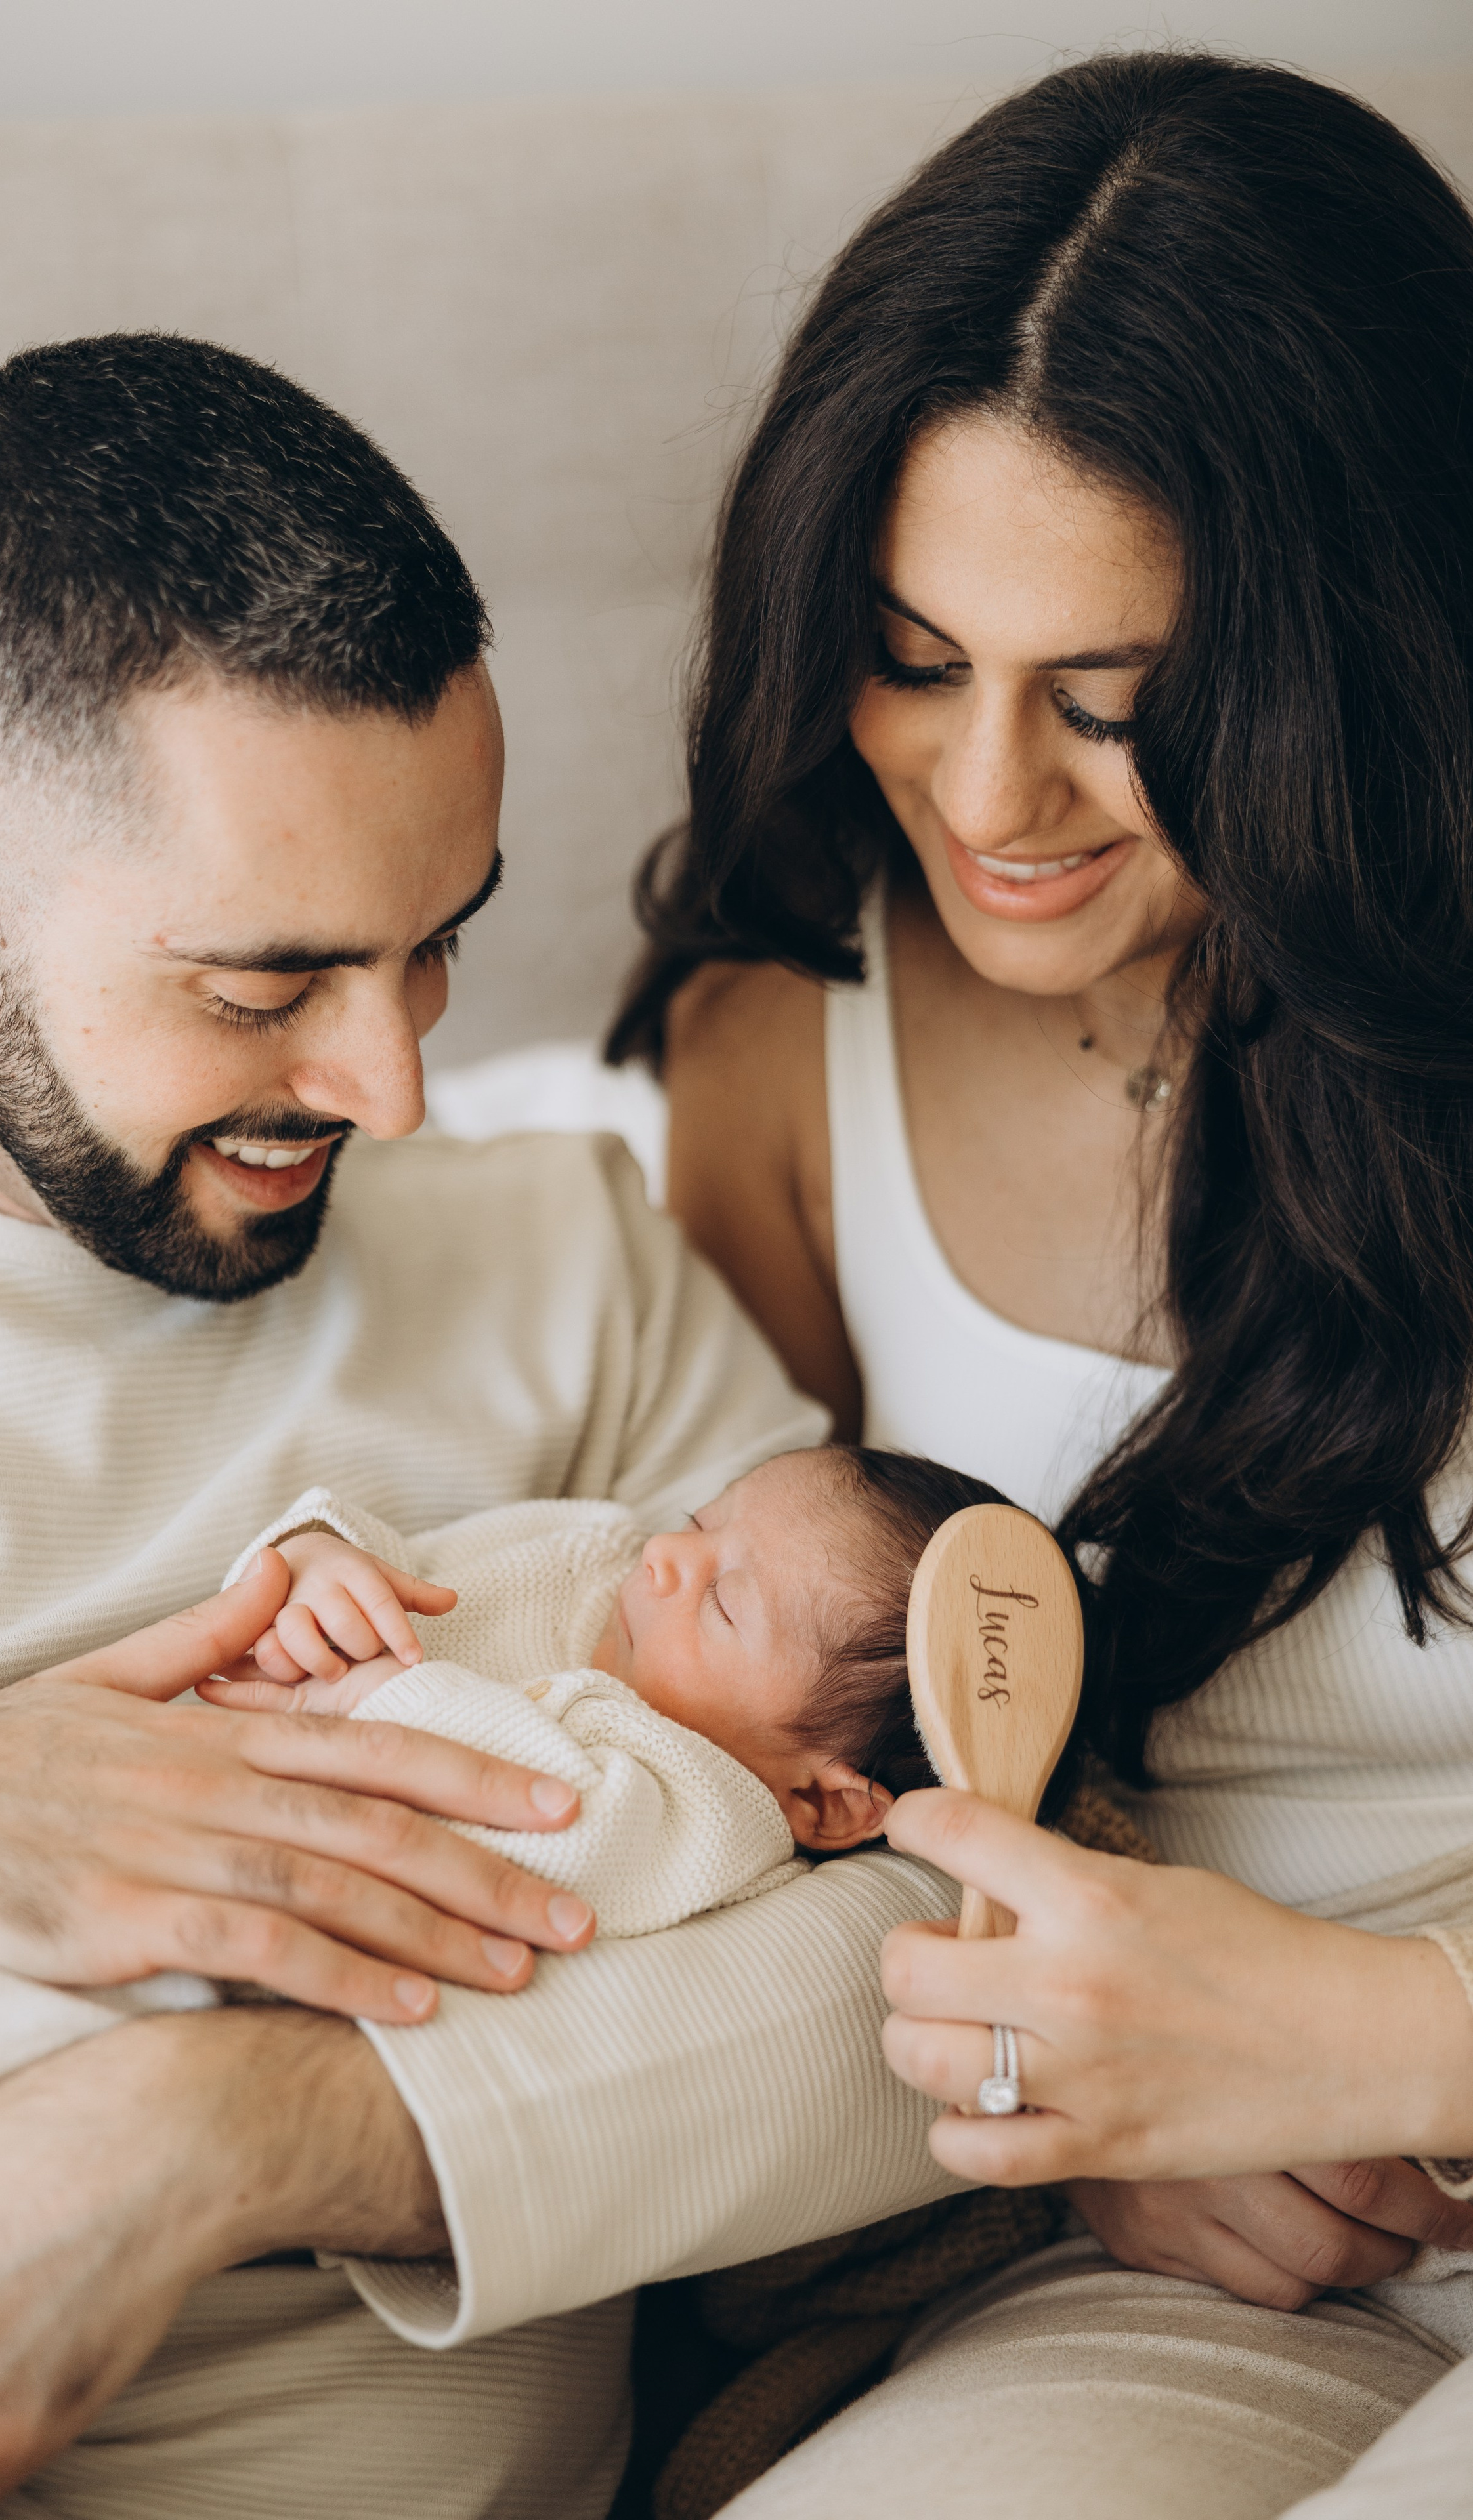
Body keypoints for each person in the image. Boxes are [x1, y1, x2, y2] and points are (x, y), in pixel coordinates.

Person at [0, 335, 968, 2520]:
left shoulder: (559, 1261)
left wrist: (203, 2143)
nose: (393, 1091)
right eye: (265, 986)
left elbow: (949, 1932)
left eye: (436, 949)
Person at [611, 48, 1473, 2517]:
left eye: (1117, 706)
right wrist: (1057, 2115)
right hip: (1165, 2256)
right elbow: (761, 1772)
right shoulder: (780, 1049)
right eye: (913, 659)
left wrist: (1366, 2037)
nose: (988, 801)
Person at [0, 1444, 999, 2202]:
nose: (673, 1558)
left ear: (823, 1800)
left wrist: (373, 1700)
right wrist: (323, 1562)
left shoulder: (712, 1808)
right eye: (705, 1517)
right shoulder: (593, 1554)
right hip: (130, 1824)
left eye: (726, 1600)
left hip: (248, 1960)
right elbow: (415, 1561)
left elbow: (572, 1826)